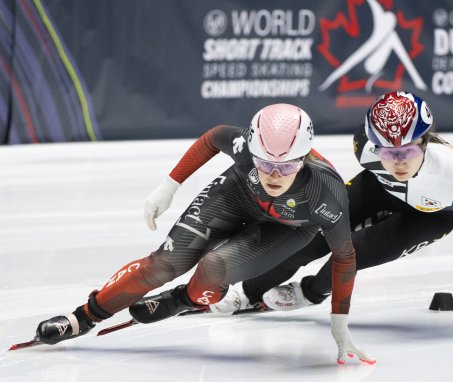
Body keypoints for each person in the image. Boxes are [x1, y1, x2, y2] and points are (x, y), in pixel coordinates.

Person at [34, 103, 375, 364]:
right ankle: (84, 316)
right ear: (252, 151)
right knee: (162, 265)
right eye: (264, 163)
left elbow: (345, 257)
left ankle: (181, 300)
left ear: (303, 159)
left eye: (286, 166)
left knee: (213, 269)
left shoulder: (325, 194)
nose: (274, 174)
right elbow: (213, 137)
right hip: (238, 195)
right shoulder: (244, 146)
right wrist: (169, 185)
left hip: (288, 227)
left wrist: (339, 325)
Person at [212, 91, 453, 336]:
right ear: (375, 145)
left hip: (431, 216)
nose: (399, 162)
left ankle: (311, 292)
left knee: (353, 252)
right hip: (379, 188)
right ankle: (249, 293)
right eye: (388, 152)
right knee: (308, 236)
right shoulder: (364, 147)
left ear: (425, 142)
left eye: (409, 151)